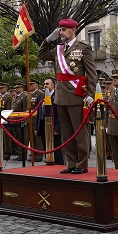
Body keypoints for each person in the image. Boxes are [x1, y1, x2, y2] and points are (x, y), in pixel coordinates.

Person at [38, 18, 97, 174]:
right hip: (61, 96)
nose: (61, 32)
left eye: (64, 30)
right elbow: (42, 55)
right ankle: (71, 162)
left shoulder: (83, 48)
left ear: (73, 30)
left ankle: (82, 163)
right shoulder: (59, 49)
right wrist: (47, 40)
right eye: (60, 30)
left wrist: (90, 94)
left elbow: (91, 74)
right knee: (67, 133)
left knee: (79, 132)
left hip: (77, 96)